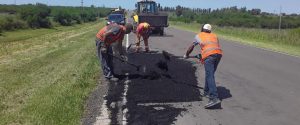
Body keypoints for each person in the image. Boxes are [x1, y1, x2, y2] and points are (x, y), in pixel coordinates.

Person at [183, 24, 223, 108]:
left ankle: (214, 97)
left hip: (209, 56)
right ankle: (206, 91)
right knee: (210, 74)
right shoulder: (214, 36)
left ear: (202, 29)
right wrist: (202, 55)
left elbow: (191, 46)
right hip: (218, 55)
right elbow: (212, 47)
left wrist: (186, 54)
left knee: (210, 75)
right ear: (210, 30)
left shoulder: (199, 35)